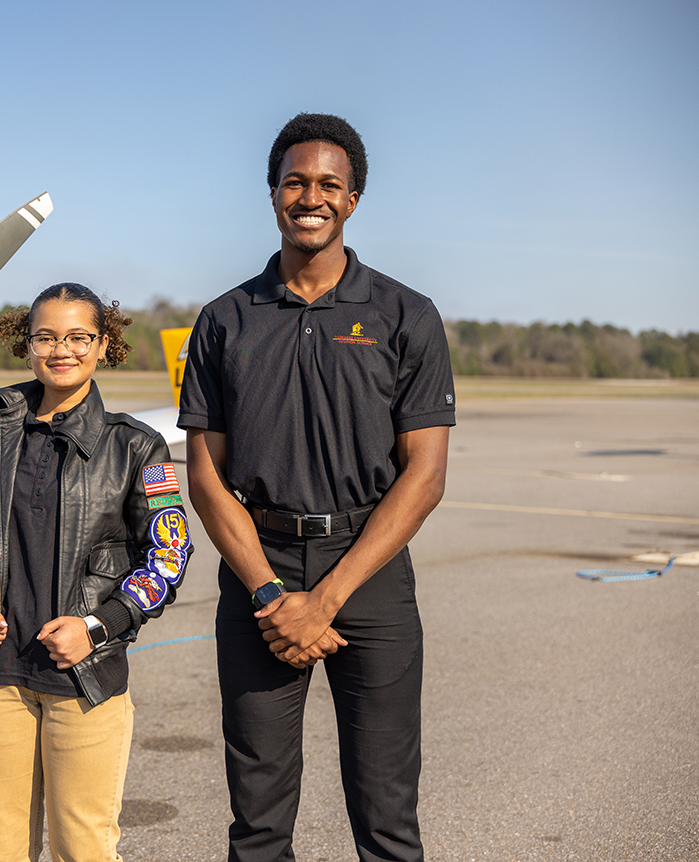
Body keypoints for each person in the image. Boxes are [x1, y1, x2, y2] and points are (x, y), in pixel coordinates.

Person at [179, 113, 455, 862]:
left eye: (329, 184)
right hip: (257, 571)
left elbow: (424, 477)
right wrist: (272, 598)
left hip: (369, 575)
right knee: (259, 820)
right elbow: (205, 476)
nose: (312, 196)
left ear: (354, 199)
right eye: (296, 181)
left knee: (388, 813)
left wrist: (325, 601)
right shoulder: (225, 321)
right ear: (273, 193)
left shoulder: (406, 315)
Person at [0, 282, 191, 862]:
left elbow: (168, 556)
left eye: (77, 336)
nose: (60, 349)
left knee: (84, 848)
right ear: (27, 343)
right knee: (2, 848)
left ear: (103, 344)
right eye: (45, 336)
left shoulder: (137, 446)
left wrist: (97, 626)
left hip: (84, 681)